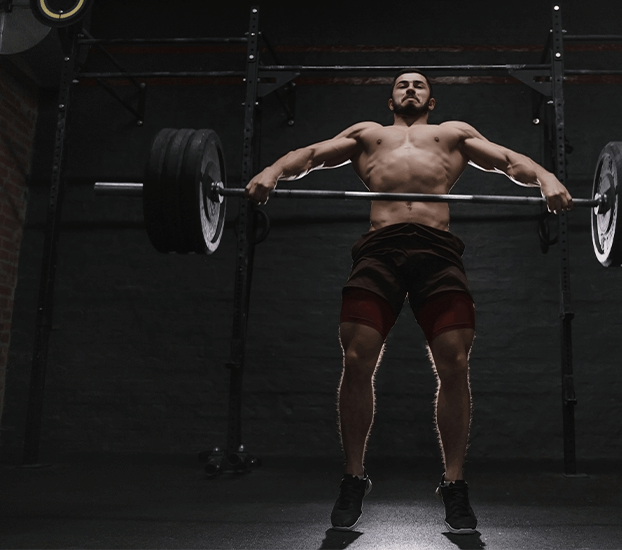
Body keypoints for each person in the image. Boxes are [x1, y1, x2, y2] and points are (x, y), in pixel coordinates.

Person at [245, 69, 572, 534]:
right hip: (380, 249)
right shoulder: (368, 135)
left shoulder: (452, 134)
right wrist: (271, 170)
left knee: (455, 362)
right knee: (357, 358)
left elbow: (505, 160)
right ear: (391, 98)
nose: (411, 89)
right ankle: (353, 477)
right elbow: (312, 155)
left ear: (432, 101)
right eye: (402, 84)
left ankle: (454, 484)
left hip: (437, 251)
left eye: (419, 85)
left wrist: (545, 177)